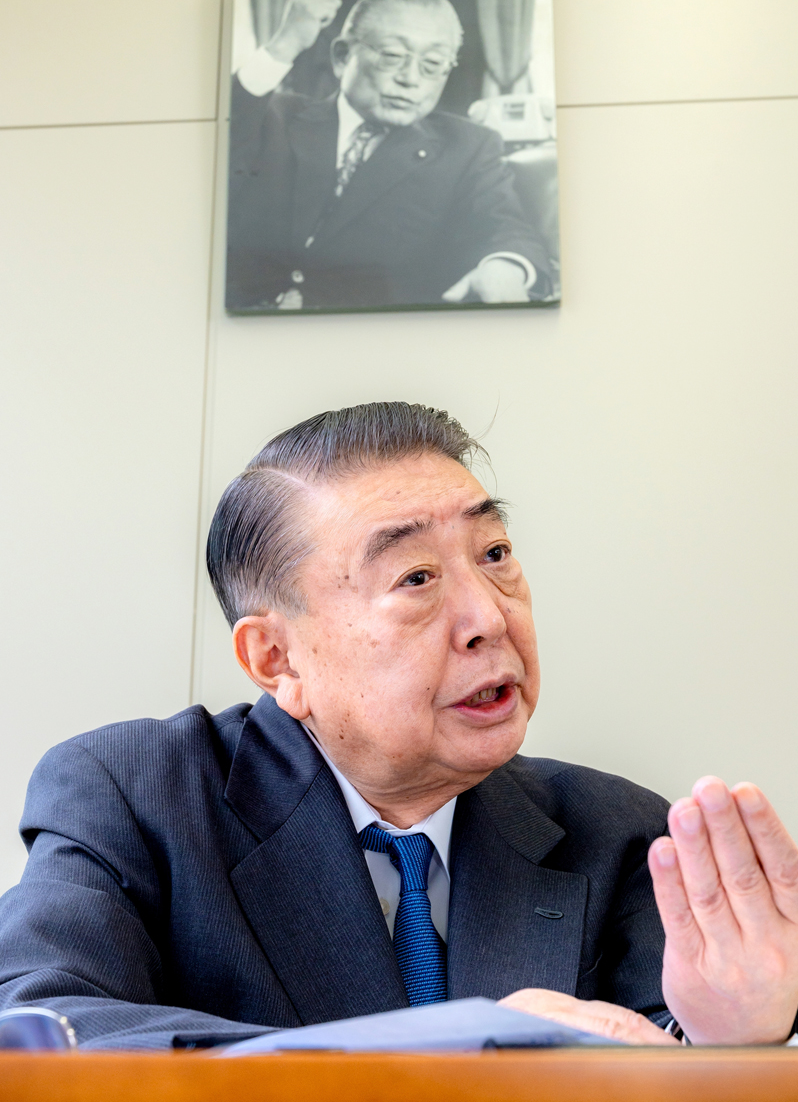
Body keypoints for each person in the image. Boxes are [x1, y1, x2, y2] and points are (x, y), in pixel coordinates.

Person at [1, 402, 797, 1050]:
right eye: (416, 577)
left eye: (494, 553)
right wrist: (434, 1048)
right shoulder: (136, 796)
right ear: (277, 658)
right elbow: (42, 1029)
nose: (489, 617)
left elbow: (663, 1051)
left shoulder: (619, 833)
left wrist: (733, 1042)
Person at [226, 0, 554, 312]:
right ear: (342, 57)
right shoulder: (274, 118)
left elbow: (503, 226)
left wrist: (504, 267)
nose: (410, 79)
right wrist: (283, 47)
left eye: (433, 63)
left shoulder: (467, 147)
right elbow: (215, 137)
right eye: (393, 56)